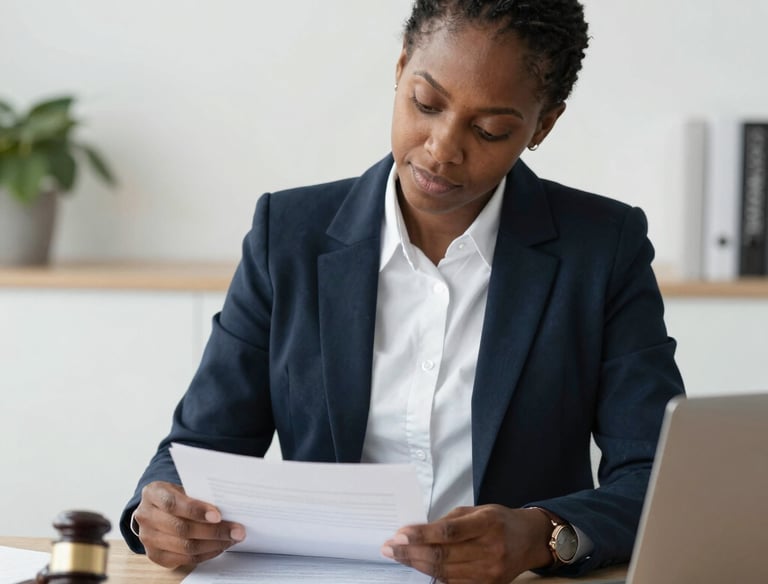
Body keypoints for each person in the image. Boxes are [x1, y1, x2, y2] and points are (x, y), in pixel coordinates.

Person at [121, 1, 685, 582]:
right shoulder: (286, 236)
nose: (443, 148)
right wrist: (160, 513)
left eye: (489, 129)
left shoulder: (601, 249)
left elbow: (657, 475)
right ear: (400, 69)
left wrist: (539, 533)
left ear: (542, 125)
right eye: (426, 104)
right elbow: (198, 448)